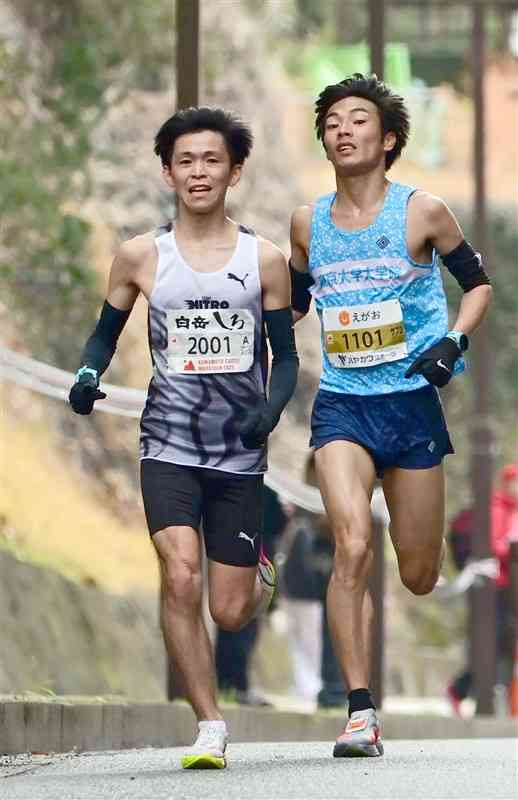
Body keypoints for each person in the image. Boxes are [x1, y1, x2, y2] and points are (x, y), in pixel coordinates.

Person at [68, 106, 299, 769]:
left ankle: (260, 575)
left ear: (234, 171)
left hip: (238, 450)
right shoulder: (141, 255)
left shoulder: (265, 261)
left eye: (212, 161)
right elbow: (103, 335)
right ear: (168, 171)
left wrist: (271, 410)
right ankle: (209, 725)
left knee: (229, 612)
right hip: (166, 442)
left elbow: (285, 359)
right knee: (178, 573)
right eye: (186, 161)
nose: (199, 172)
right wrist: (87, 373)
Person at [289, 73, 492, 757]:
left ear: (390, 138)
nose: (343, 130)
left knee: (417, 573)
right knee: (349, 545)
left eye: (359, 120)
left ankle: (416, 565)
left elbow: (479, 287)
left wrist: (453, 341)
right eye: (333, 122)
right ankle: (360, 713)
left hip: (411, 405)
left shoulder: (423, 213)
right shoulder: (305, 222)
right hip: (343, 404)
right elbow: (288, 300)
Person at [447, 463, 518, 715]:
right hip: (492, 589)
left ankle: (499, 696)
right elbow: (493, 545)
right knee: (491, 641)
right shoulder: (496, 508)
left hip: (511, 590)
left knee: (504, 644)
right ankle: (461, 690)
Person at [215, 485, 288, 706]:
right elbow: (277, 522)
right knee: (242, 625)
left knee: (235, 624)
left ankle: (232, 684)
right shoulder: (262, 482)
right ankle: (235, 684)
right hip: (253, 557)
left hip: (241, 553)